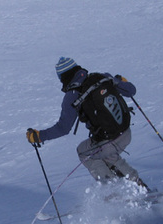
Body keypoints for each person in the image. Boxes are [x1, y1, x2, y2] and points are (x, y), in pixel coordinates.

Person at [26, 57, 149, 189]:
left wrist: (39, 136)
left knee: (84, 152)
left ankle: (114, 191)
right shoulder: (102, 77)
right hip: (125, 132)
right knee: (108, 156)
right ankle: (138, 185)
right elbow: (131, 91)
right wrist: (120, 81)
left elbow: (63, 128)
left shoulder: (72, 95)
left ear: (63, 78)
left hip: (108, 140)